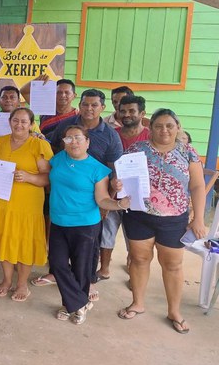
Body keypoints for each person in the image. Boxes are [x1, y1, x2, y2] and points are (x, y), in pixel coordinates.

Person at [118, 109, 206, 334]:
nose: (164, 130)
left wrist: (198, 218)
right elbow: (124, 180)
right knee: (139, 259)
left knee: (173, 264)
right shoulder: (137, 150)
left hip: (174, 218)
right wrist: (117, 187)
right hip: (139, 215)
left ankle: (174, 311)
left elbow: (197, 187)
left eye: (169, 125)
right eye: (158, 125)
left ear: (178, 127)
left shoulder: (188, 152)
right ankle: (137, 303)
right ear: (151, 128)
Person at [35, 89, 123, 298]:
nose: (89, 109)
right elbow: (52, 148)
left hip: (92, 200)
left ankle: (87, 284)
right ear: (79, 104)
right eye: (85, 104)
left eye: (94, 105)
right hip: (63, 197)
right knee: (58, 253)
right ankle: (62, 278)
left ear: (102, 107)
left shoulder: (110, 135)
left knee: (86, 252)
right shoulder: (66, 126)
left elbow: (114, 169)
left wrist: (107, 203)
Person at [48, 125, 128, 325]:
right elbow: (45, 177)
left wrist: (118, 204)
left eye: (77, 138)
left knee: (81, 269)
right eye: (68, 139)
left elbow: (101, 199)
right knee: (57, 264)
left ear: (87, 142)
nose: (73, 142)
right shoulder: (58, 160)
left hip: (85, 225)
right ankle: (81, 302)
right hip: (58, 222)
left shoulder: (98, 169)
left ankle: (72, 305)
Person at [0, 108, 53, 301]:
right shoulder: (1, 142)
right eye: (15, 120)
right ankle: (6, 280)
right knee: (4, 240)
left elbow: (48, 177)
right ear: (10, 121)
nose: (19, 124)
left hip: (27, 205)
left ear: (31, 125)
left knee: (24, 243)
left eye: (24, 121)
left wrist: (29, 177)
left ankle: (22, 284)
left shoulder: (39, 145)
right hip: (2, 201)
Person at [98, 95, 149, 280]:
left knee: (134, 240)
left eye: (132, 111)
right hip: (113, 195)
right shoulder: (113, 135)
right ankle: (104, 268)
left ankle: (133, 275)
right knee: (107, 233)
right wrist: (108, 198)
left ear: (141, 113)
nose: (127, 115)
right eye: (123, 111)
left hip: (140, 198)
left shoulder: (149, 137)